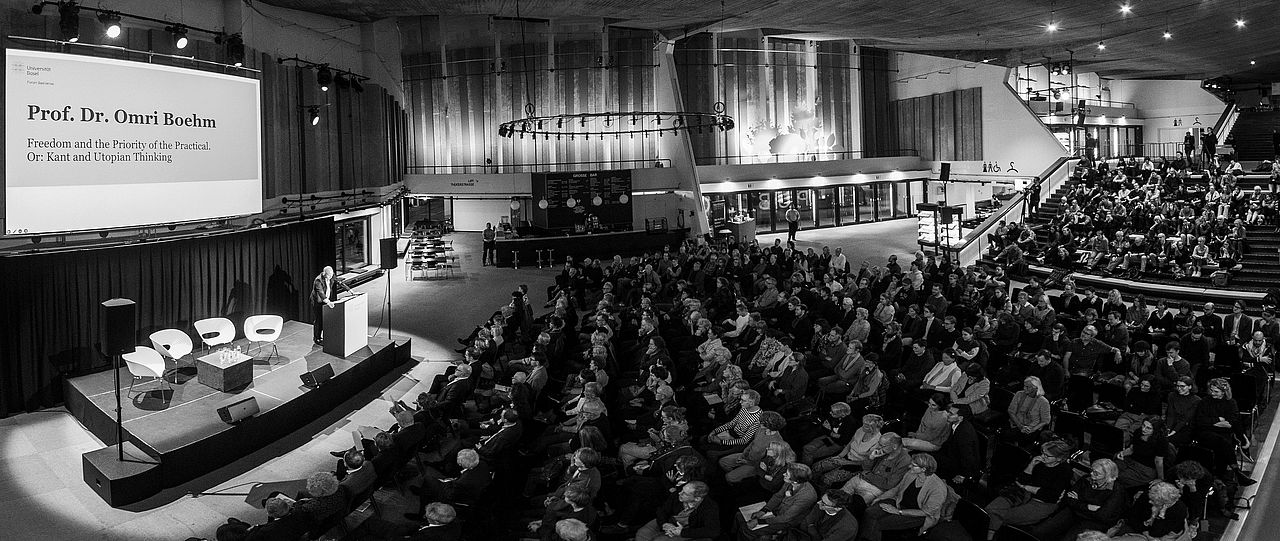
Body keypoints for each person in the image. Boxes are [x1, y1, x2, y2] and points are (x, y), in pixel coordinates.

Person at [858, 454, 958, 541]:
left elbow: (926, 512)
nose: (910, 466)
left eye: (914, 466)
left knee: (878, 523)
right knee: (869, 512)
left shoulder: (938, 488)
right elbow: (897, 489)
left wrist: (898, 512)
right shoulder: (911, 473)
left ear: (923, 469)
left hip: (919, 514)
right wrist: (880, 498)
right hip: (899, 502)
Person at [634, 481, 720, 541]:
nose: (680, 493)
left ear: (697, 499)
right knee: (642, 534)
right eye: (682, 490)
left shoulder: (710, 507)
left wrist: (682, 532)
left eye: (685, 493)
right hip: (669, 520)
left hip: (687, 529)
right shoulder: (678, 494)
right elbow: (662, 510)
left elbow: (713, 531)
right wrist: (664, 524)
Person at [788, 488, 859, 541]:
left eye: (824, 503)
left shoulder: (847, 527)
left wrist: (811, 527)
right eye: (821, 500)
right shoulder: (820, 505)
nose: (818, 503)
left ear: (837, 508)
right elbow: (806, 521)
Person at [311, 265, 336, 344]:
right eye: (329, 275)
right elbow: (320, 292)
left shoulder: (331, 275)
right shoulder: (318, 280)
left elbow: (339, 282)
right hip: (317, 302)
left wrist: (350, 291)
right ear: (325, 274)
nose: (331, 277)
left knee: (324, 319)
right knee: (319, 320)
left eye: (332, 275)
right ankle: (317, 338)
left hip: (325, 300)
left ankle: (322, 336)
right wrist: (328, 302)